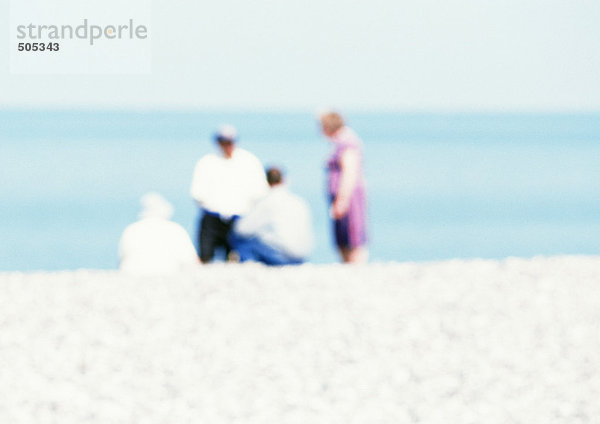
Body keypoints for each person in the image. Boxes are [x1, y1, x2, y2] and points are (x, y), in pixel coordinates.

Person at [190, 124, 268, 263]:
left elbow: (259, 191)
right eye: (223, 142)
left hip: (239, 218)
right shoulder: (207, 162)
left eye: (230, 142)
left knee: (235, 259)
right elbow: (197, 192)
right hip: (212, 217)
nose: (227, 146)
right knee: (205, 257)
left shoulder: (248, 161)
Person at [229, 167, 314, 265]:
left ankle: (248, 264)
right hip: (301, 256)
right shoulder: (300, 202)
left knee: (241, 239)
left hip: (282, 257)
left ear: (266, 181)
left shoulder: (267, 201)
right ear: (284, 179)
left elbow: (241, 229)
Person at [319, 111, 368, 264]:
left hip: (349, 197)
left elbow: (350, 173)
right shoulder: (339, 143)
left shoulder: (348, 144)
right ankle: (347, 265)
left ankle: (356, 267)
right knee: (342, 238)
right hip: (342, 196)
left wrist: (342, 199)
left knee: (353, 237)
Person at [118, 192, 199, 275]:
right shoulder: (175, 229)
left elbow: (122, 258)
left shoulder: (131, 230)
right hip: (169, 275)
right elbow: (191, 260)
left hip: (132, 275)